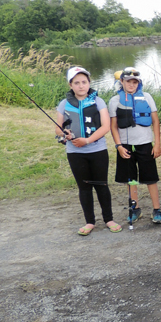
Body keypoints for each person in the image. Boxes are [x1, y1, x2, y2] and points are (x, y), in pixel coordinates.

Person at [55, 66, 122, 235]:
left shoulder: (98, 101)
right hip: (75, 152)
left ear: (89, 83)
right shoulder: (64, 104)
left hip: (97, 150)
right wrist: (65, 134)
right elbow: (58, 129)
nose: (81, 86)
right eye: (76, 83)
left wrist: (87, 140)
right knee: (84, 187)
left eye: (84, 82)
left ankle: (109, 219)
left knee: (101, 185)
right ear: (70, 85)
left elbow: (106, 126)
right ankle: (90, 221)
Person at [108, 67, 161, 225]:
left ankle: (157, 209)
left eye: (134, 82)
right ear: (122, 82)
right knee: (130, 179)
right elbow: (113, 126)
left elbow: (155, 121)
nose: (131, 85)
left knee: (151, 178)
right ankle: (135, 208)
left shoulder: (146, 97)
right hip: (125, 146)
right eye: (128, 82)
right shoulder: (114, 101)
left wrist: (157, 144)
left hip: (145, 144)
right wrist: (118, 145)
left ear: (138, 83)